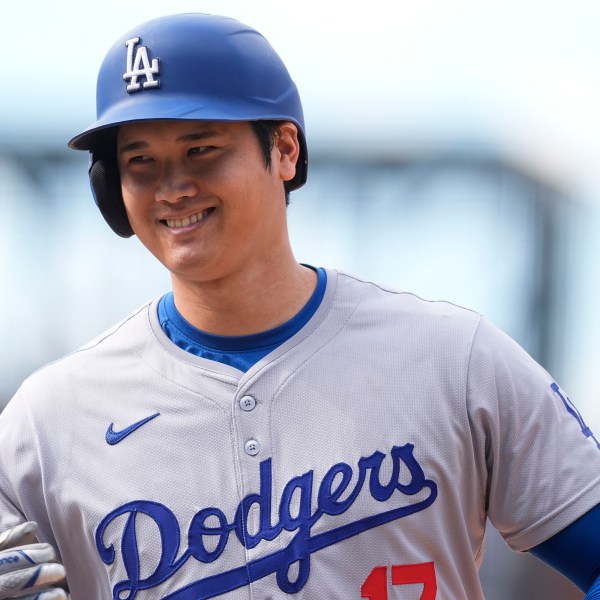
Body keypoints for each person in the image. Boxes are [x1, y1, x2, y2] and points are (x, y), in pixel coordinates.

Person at [0, 12, 600, 600]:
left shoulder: (453, 359)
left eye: (202, 147)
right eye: (139, 161)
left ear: (284, 149)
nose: (172, 186)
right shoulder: (48, 422)